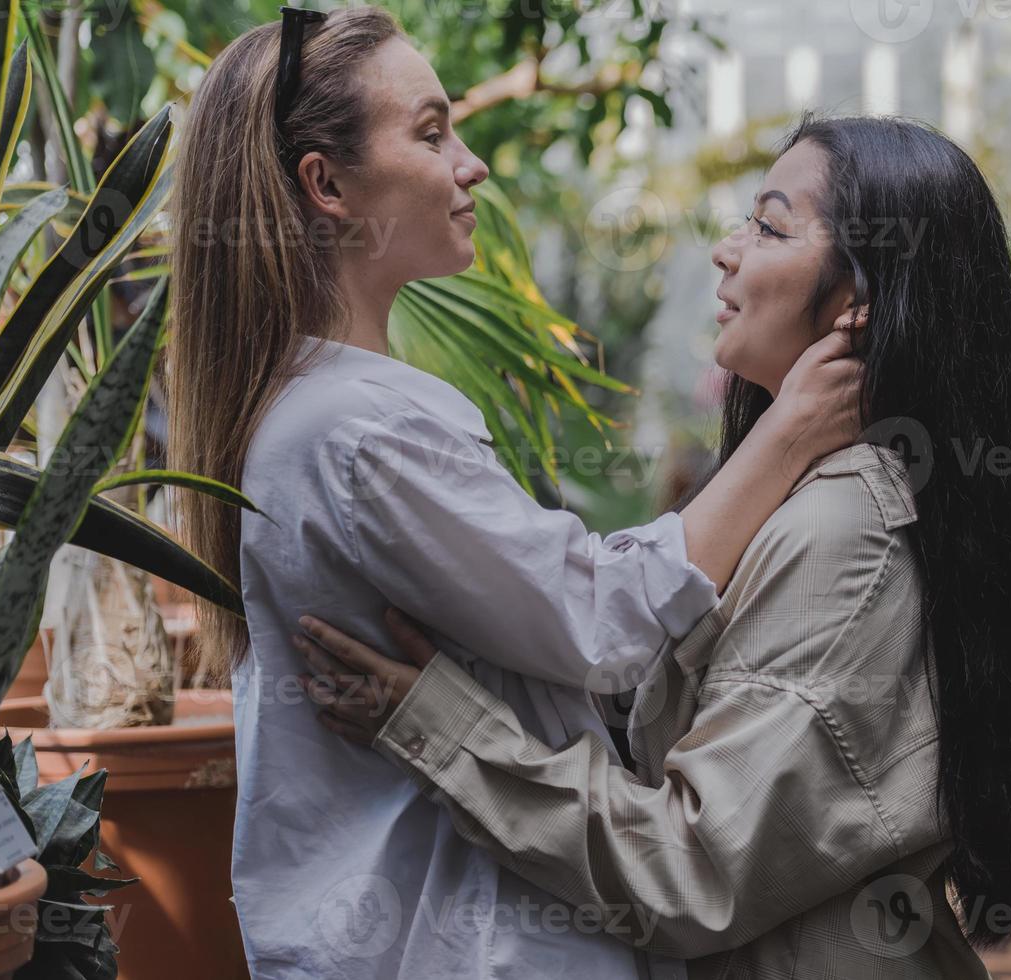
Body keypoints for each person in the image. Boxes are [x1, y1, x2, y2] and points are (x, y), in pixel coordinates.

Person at [301, 114, 1011, 978]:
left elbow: (688, 871)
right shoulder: (813, 499)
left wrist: (439, 728)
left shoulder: (845, 534)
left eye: (769, 225)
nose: (725, 250)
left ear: (859, 301)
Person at [164, 9, 864, 978]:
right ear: (326, 186)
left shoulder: (309, 405)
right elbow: (600, 623)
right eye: (430, 131)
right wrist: (788, 431)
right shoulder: (358, 428)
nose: (470, 163)